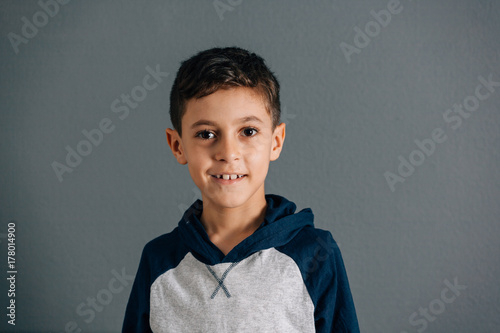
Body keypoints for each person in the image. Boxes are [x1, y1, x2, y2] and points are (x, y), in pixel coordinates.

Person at [122, 46, 359, 332]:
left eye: (248, 131)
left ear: (276, 141)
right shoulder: (158, 261)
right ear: (177, 145)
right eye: (206, 134)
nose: (228, 153)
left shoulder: (316, 254)